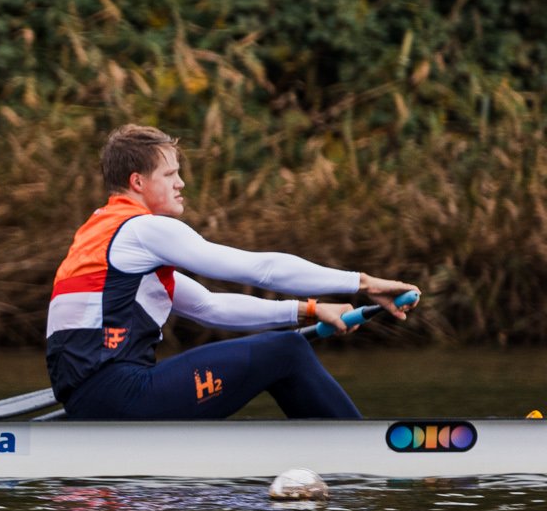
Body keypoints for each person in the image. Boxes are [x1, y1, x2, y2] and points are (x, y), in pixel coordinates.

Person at [46, 124, 418, 420]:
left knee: (286, 346)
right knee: (287, 349)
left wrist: (307, 310)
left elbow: (209, 307)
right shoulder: (144, 230)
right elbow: (262, 270)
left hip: (91, 399)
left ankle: (329, 451)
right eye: (170, 174)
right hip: (118, 394)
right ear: (137, 182)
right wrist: (362, 283)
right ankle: (360, 451)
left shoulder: (101, 234)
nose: (181, 184)